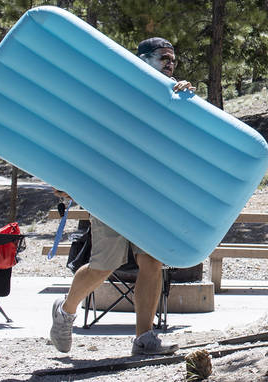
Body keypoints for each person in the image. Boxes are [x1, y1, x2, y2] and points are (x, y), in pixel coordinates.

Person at [49, 37, 194, 356]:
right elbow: (87, 135)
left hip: (148, 193)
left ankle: (145, 337)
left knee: (152, 260)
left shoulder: (174, 95)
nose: (170, 64)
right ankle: (65, 312)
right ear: (142, 59)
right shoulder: (117, 93)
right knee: (104, 264)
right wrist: (67, 177)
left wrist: (185, 102)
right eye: (163, 57)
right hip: (110, 189)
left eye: (173, 59)